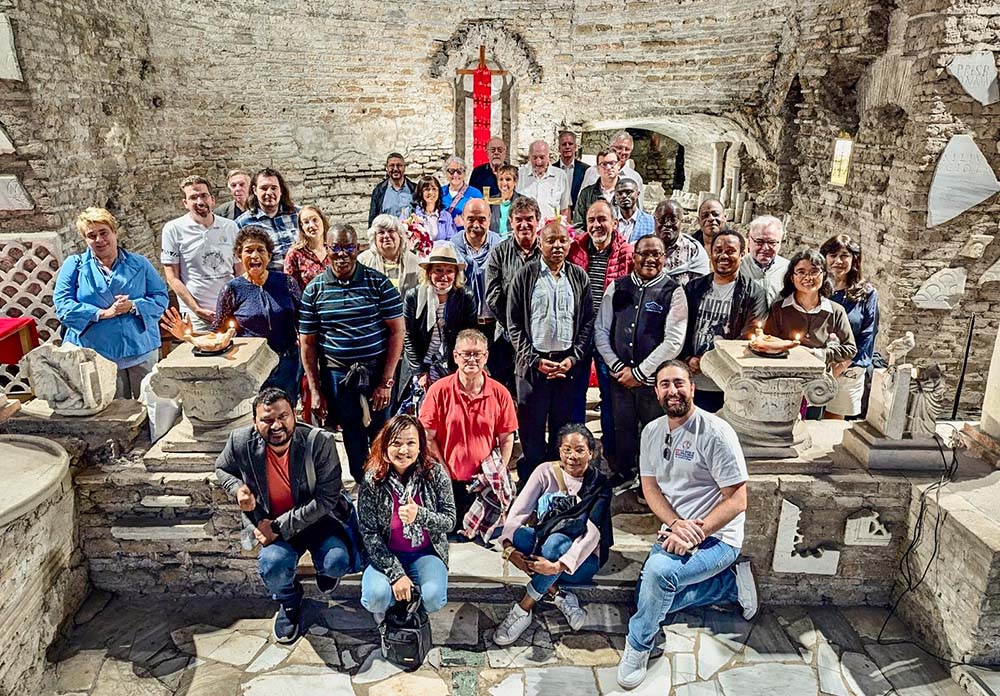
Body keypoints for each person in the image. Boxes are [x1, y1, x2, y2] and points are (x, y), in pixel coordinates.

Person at [617, 361, 756, 690]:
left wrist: (696, 532)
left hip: (718, 538)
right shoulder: (651, 432)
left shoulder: (715, 432)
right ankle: (729, 586)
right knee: (647, 596)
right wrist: (677, 524)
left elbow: (738, 500)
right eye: (664, 384)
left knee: (658, 578)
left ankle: (638, 647)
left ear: (692, 387)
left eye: (679, 383)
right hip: (677, 530)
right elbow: (650, 488)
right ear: (656, 391)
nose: (672, 391)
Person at [215, 388, 358, 643]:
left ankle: (325, 571)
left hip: (317, 522)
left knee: (337, 561)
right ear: (254, 422)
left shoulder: (319, 442)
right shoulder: (239, 441)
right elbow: (223, 469)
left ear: (295, 414)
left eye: (283, 416)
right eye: (267, 420)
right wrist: (237, 490)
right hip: (273, 525)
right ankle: (290, 602)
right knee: (272, 566)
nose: (276, 425)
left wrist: (278, 527)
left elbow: (326, 498)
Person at [299, 224, 405, 483]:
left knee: (382, 428)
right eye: (336, 248)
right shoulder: (314, 291)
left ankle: (387, 481)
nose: (342, 255)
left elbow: (397, 332)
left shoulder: (378, 283)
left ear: (358, 249)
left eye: (348, 248)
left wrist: (386, 382)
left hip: (376, 368)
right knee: (351, 429)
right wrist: (315, 390)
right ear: (327, 249)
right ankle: (363, 481)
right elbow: (308, 344)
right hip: (338, 372)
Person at [493, 424, 613, 645]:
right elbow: (519, 511)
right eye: (567, 449)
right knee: (519, 536)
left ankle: (523, 608)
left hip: (579, 563)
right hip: (545, 544)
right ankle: (559, 595)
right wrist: (509, 549)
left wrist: (557, 566)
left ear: (591, 453)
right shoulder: (545, 471)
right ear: (559, 451)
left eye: (579, 450)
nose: (572, 456)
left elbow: (592, 535)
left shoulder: (600, 484)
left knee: (554, 546)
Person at [162, 226, 304, 404]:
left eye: (260, 250)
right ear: (239, 255)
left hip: (288, 362)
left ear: (269, 255)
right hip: (252, 366)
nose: (254, 255)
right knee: (259, 413)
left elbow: (304, 322)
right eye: (248, 251)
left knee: (286, 410)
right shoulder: (232, 289)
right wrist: (189, 336)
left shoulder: (286, 282)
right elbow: (217, 332)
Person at [595, 235, 688, 489]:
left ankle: (652, 484)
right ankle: (625, 473)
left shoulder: (673, 292)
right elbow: (601, 331)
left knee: (654, 431)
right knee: (622, 427)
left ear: (664, 258)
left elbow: (673, 341)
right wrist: (617, 366)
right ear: (634, 256)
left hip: (653, 381)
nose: (649, 259)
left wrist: (640, 372)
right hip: (620, 378)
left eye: (656, 254)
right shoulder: (617, 287)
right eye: (644, 254)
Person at [508, 220, 594, 483]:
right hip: (533, 367)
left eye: (562, 240)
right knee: (531, 430)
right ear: (539, 243)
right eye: (550, 240)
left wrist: (573, 358)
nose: (557, 246)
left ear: (569, 244)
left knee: (563, 430)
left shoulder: (579, 276)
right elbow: (514, 324)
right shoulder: (524, 276)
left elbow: (588, 321)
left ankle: (559, 484)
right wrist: (534, 360)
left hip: (567, 367)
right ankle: (532, 483)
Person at [54, 207, 169, 399]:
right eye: (92, 235)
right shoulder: (74, 265)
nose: (99, 240)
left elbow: (160, 297)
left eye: (103, 232)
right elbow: (63, 305)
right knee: (112, 411)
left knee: (152, 404)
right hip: (97, 352)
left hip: (140, 346)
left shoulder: (139, 263)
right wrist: (102, 313)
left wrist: (134, 306)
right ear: (85, 239)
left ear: (115, 232)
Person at [420, 329, 517, 536]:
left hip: (484, 485)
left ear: (486, 357)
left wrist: (497, 472)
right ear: (455, 356)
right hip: (447, 481)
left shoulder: (500, 393)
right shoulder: (438, 390)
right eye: (466, 354)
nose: (471, 359)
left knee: (495, 535)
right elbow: (427, 437)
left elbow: (507, 439)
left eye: (477, 354)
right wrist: (443, 471)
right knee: (445, 531)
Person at [358, 414, 456, 620]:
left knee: (434, 598)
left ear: (420, 446)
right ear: (385, 448)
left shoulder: (435, 474)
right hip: (386, 554)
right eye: (396, 443)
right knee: (375, 597)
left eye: (411, 443)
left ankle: (414, 609)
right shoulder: (372, 480)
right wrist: (396, 574)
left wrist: (420, 514)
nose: (404, 450)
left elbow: (449, 521)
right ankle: (390, 609)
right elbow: (369, 533)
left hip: (426, 553)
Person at [567, 199, 634, 463]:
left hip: (610, 338)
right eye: (592, 220)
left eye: (602, 219)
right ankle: (574, 453)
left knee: (611, 398)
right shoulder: (576, 250)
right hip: (580, 336)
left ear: (614, 223)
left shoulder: (626, 253)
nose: (597, 225)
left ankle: (611, 455)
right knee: (574, 395)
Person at [683, 229, 768, 413]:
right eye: (718, 250)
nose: (723, 255)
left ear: (742, 254)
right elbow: (681, 326)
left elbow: (750, 334)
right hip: (693, 377)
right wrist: (688, 357)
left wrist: (712, 361)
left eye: (730, 251)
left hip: (726, 381)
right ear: (710, 253)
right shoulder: (694, 288)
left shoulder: (754, 293)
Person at [161, 175, 240, 332]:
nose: (199, 202)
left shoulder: (230, 227)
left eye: (203, 195)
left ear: (212, 199)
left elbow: (240, 270)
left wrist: (238, 302)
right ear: (185, 203)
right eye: (193, 197)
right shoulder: (174, 229)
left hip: (233, 310)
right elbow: (172, 277)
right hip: (197, 316)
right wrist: (196, 309)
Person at [764, 249, 857, 376]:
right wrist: (791, 350)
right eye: (801, 272)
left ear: (824, 275)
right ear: (792, 277)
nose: (808, 278)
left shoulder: (836, 311)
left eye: (814, 272)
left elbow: (850, 349)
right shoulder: (779, 309)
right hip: (783, 375)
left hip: (819, 380)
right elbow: (768, 341)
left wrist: (817, 353)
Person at [485, 196, 542, 396]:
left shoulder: (547, 252)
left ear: (538, 220)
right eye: (519, 219)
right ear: (511, 222)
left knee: (532, 396)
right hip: (506, 336)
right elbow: (492, 294)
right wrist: (514, 325)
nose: (524, 224)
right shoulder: (499, 253)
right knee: (504, 391)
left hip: (539, 336)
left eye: (529, 219)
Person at [821, 234, 879, 419]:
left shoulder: (867, 294)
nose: (838, 261)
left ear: (854, 259)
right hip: (817, 362)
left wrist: (843, 365)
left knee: (833, 424)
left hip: (848, 368)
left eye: (844, 256)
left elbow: (868, 333)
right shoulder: (817, 288)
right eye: (833, 255)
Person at [403, 246, 477, 389]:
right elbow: (408, 336)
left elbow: (469, 334)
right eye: (438, 270)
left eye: (449, 271)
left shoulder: (465, 296)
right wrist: (419, 372)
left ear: (455, 274)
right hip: (421, 364)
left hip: (452, 364)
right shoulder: (413, 296)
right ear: (429, 272)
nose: (444, 276)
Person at [450, 198, 502, 332]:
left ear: (489, 220)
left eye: (482, 219)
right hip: (462, 323)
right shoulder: (452, 247)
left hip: (494, 325)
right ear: (462, 218)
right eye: (471, 219)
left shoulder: (500, 246)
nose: (476, 224)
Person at [236, 168, 299, 272]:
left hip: (301, 280)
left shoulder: (299, 215)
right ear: (255, 190)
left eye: (274, 188)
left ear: (281, 190)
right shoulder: (242, 224)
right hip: (267, 282)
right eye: (264, 188)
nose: (269, 192)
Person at [358, 214, 421, 297]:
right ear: (374, 238)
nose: (386, 236)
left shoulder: (415, 262)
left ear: (400, 235)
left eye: (391, 231)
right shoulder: (363, 261)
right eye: (381, 232)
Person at [655, 199, 709, 285]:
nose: (668, 224)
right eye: (662, 219)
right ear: (654, 220)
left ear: (681, 222)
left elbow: (700, 288)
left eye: (673, 220)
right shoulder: (642, 248)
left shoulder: (694, 251)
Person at [739, 215, 789, 305]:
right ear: (749, 240)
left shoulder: (789, 269)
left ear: (780, 242)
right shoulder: (738, 268)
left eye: (771, 242)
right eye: (759, 241)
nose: (765, 248)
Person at [581, 131, 645, 201]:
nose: (623, 152)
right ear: (611, 148)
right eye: (619, 148)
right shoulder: (592, 172)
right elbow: (581, 201)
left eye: (627, 149)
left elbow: (638, 208)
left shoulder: (635, 177)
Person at [283, 205, 333, 292]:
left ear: (322, 221)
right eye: (306, 222)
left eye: (315, 220)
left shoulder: (334, 249)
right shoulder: (295, 253)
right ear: (301, 227)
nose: (312, 226)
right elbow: (290, 287)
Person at [517, 140, 571, 220]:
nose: (538, 162)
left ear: (548, 156)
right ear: (529, 157)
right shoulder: (519, 175)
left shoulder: (560, 176)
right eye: (535, 158)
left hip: (551, 229)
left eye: (542, 157)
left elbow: (564, 209)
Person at [572, 149, 619, 227]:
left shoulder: (628, 192)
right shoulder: (586, 194)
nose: (608, 167)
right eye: (604, 164)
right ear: (598, 169)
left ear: (619, 166)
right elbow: (578, 225)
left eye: (612, 163)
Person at [369, 152, 416, 225]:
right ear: (387, 168)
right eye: (392, 165)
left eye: (399, 165)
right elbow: (372, 220)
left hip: (408, 235)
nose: (395, 168)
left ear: (404, 167)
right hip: (387, 235)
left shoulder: (414, 189)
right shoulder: (379, 191)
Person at [441, 155, 484, 230]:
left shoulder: (475, 193)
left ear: (464, 173)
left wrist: (465, 223)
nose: (455, 175)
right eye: (451, 171)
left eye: (459, 171)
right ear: (446, 173)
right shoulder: (440, 192)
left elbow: (482, 218)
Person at [413, 175, 459, 243]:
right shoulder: (411, 213)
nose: (431, 192)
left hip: (440, 253)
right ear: (420, 192)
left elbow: (452, 241)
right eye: (427, 189)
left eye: (434, 189)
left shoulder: (446, 216)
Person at [615, 178, 655, 244]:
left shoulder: (650, 221)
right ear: (615, 196)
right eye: (620, 193)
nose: (624, 196)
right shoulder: (609, 220)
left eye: (629, 192)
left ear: (638, 194)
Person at [556, 130, 589, 210]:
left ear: (575, 147)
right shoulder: (552, 170)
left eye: (570, 144)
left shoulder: (586, 170)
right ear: (559, 148)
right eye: (564, 144)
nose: (567, 147)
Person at [489, 164, 522, 238]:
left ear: (515, 182)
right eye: (501, 179)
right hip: (495, 245)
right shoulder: (490, 202)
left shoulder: (522, 202)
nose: (504, 183)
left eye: (508, 179)